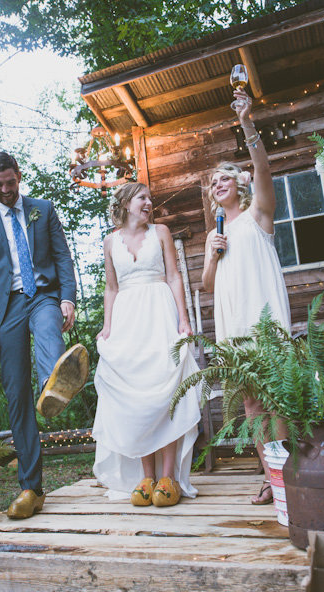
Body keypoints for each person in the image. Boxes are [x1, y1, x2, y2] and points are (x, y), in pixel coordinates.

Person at [0, 151, 88, 520]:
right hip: (6, 310)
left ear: (19, 176)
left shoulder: (43, 209)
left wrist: (68, 297)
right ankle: (31, 487)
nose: (5, 190)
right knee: (16, 394)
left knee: (50, 326)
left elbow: (63, 257)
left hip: (43, 295)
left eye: (10, 182)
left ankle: (53, 384)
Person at [202, 87, 291, 506]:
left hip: (264, 320)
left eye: (224, 178)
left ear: (239, 185)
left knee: (277, 398)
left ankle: (289, 475)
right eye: (211, 183)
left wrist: (246, 123)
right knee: (252, 404)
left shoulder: (259, 214)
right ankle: (272, 478)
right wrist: (213, 254)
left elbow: (263, 169)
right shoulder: (214, 234)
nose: (217, 184)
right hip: (232, 325)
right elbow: (206, 284)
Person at [92, 182, 201, 507]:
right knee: (137, 396)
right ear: (126, 203)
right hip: (128, 320)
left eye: (150, 198)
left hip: (159, 313)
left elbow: (173, 276)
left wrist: (183, 318)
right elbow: (111, 288)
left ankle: (168, 477)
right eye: (142, 198)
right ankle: (146, 476)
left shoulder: (162, 232)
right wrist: (107, 326)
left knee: (165, 391)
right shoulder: (110, 241)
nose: (149, 203)